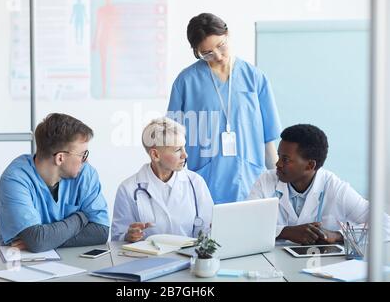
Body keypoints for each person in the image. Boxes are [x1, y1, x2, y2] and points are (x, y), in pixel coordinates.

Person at [167, 13, 281, 204]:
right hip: (205, 184)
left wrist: (279, 185)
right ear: (196, 52)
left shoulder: (254, 78)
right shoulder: (186, 82)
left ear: (228, 34)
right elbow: (171, 142)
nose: (218, 56)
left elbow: (268, 141)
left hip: (251, 181)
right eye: (207, 53)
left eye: (221, 46)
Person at [249, 124, 390, 245]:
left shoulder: (336, 188)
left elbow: (385, 226)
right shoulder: (266, 180)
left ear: (310, 165)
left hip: (322, 267)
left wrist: (337, 235)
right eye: (279, 156)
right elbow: (245, 225)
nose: (277, 164)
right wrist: (285, 232)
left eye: (285, 159)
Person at [0, 113, 110, 252]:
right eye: (82, 154)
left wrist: (47, 241)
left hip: (65, 262)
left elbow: (100, 232)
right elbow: (37, 240)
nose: (86, 160)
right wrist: (80, 218)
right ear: (60, 158)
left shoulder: (85, 173)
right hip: (16, 262)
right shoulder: (15, 179)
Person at [111, 117, 213, 242]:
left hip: (189, 259)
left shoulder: (196, 182)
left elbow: (208, 232)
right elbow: (117, 239)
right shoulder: (127, 189)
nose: (185, 155)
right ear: (155, 155)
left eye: (184, 147)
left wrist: (214, 230)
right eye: (177, 150)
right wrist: (127, 236)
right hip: (148, 261)